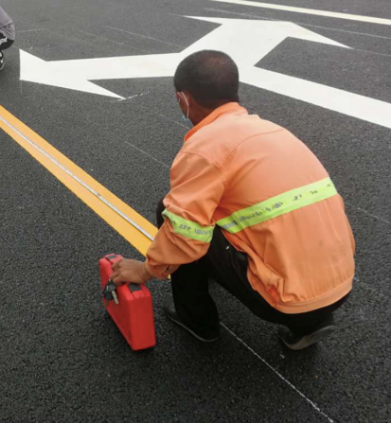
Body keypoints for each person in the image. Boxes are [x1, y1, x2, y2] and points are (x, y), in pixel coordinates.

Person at [111, 50, 355, 351]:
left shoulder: (204, 148)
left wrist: (146, 270)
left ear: (184, 100)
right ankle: (311, 324)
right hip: (342, 284)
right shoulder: (275, 132)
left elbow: (185, 234)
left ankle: (197, 321)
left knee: (173, 215)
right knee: (239, 213)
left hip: (284, 301)